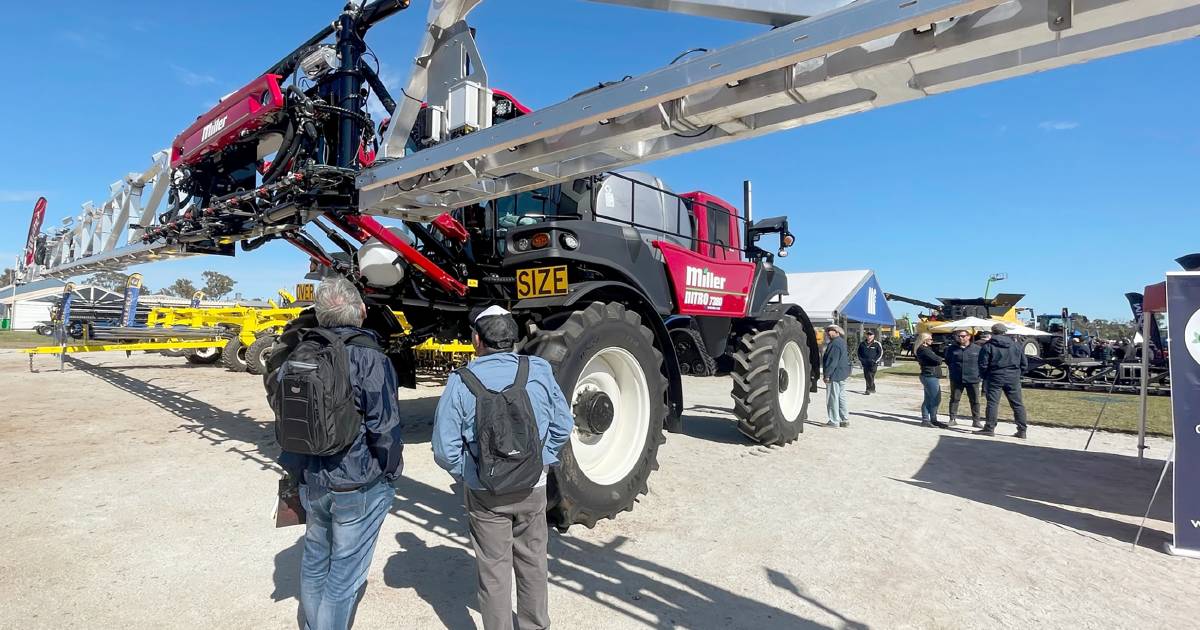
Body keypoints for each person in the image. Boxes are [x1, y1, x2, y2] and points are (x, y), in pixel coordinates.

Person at [433, 305, 573, 630]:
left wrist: (469, 474)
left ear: (476, 340)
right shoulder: (538, 369)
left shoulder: (460, 381)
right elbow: (563, 424)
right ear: (512, 338)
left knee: (494, 572)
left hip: (486, 492)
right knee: (533, 562)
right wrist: (543, 460)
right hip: (533, 486)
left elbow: (444, 449)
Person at [275, 277, 404, 630]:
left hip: (312, 480)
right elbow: (384, 426)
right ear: (361, 311)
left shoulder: (300, 353)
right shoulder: (370, 356)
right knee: (344, 576)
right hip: (357, 482)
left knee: (315, 562)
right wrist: (391, 471)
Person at [977, 322, 1029, 438]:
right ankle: (1022, 430)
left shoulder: (988, 346)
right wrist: (1018, 373)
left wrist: (985, 376)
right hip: (1013, 376)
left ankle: (989, 428)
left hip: (995, 376)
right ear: (1005, 332)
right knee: (1017, 404)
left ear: (992, 332)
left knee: (993, 403)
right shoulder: (1016, 345)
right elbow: (1024, 363)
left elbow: (983, 364)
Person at [943, 328, 982, 428]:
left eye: (963, 336)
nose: (961, 338)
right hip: (957, 378)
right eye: (959, 336)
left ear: (968, 336)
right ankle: (952, 419)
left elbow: (982, 362)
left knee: (975, 400)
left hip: (973, 378)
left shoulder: (977, 349)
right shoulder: (952, 349)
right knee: (954, 399)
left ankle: (976, 421)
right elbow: (947, 360)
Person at [914, 332, 947, 428]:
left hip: (931, 375)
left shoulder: (927, 349)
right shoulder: (923, 350)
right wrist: (940, 357)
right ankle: (926, 419)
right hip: (929, 375)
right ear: (924, 340)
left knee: (930, 398)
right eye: (930, 339)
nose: (932, 341)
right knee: (934, 398)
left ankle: (932, 419)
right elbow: (938, 360)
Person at [821, 324, 851, 428]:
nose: (828, 332)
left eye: (830, 330)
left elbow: (832, 361)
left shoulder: (835, 344)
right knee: (841, 397)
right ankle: (844, 419)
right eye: (828, 330)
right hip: (842, 374)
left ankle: (834, 421)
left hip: (835, 374)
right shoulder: (841, 342)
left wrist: (827, 375)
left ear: (837, 332)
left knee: (832, 398)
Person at [856, 329, 884, 394]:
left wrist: (875, 360)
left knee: (870, 375)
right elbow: (859, 353)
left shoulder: (877, 344)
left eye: (870, 334)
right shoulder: (862, 344)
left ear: (873, 336)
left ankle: (868, 389)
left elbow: (880, 353)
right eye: (868, 334)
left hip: (873, 363)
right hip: (865, 363)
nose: (869, 336)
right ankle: (872, 388)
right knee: (867, 376)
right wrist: (861, 360)